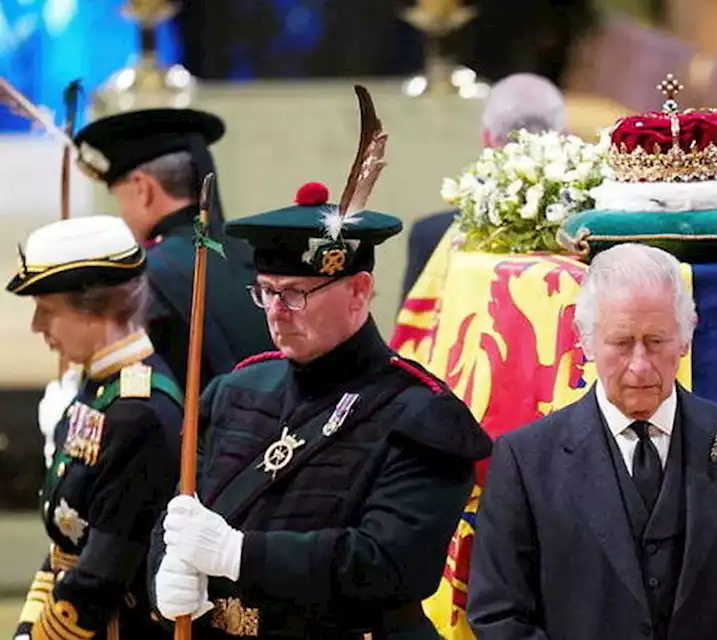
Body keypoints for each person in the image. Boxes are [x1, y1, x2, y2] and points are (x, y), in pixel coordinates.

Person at [146, 180, 493, 638]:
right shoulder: (233, 390)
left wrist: (239, 555)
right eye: (266, 291)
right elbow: (180, 514)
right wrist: (163, 575)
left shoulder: (421, 414)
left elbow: (391, 563)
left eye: (295, 294)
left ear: (358, 291)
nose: (275, 311)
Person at [467, 243, 717, 640]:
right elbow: (499, 614)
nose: (640, 365)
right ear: (587, 341)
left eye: (657, 341)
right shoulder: (525, 461)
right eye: (622, 342)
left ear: (686, 337)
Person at [8, 216, 183, 640]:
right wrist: (28, 628)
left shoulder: (137, 410)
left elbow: (101, 578)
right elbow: (65, 550)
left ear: (96, 309)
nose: (36, 327)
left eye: (47, 311)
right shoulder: (99, 385)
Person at [71, 108, 274, 392]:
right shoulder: (256, 255)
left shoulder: (142, 277)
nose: (122, 213)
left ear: (143, 188)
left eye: (119, 199)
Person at [402, 73, 567, 299]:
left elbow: (412, 330)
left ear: (487, 139)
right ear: (565, 137)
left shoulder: (433, 238)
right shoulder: (584, 238)